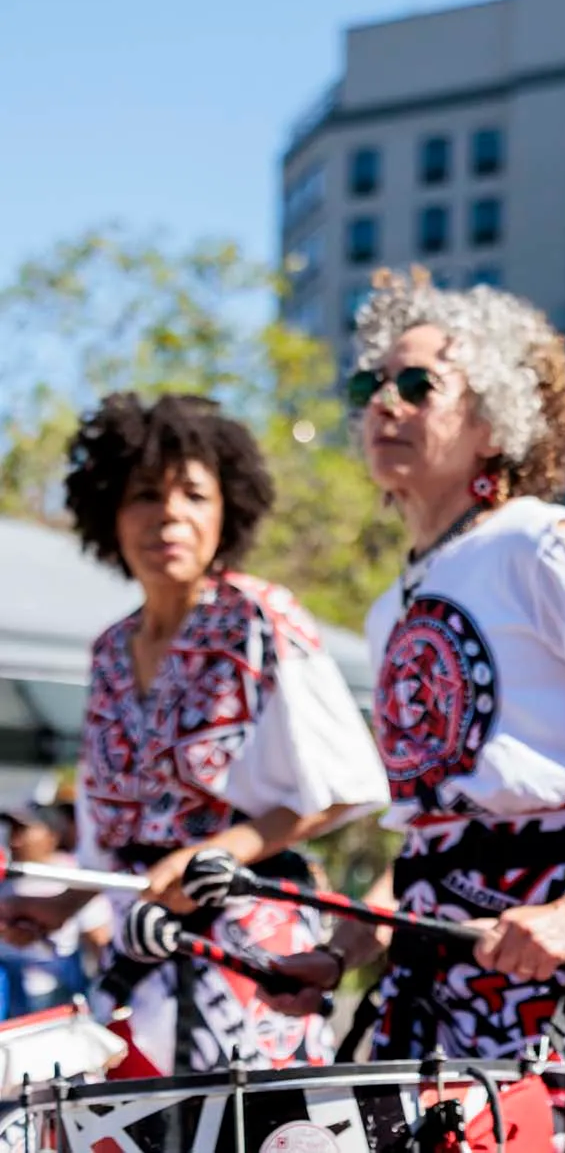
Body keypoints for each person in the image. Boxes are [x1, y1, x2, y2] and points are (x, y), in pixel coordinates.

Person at [266, 271, 565, 1153]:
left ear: (495, 417)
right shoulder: (391, 604)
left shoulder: (548, 546)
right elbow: (434, 835)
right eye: (369, 387)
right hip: (431, 976)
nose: (383, 405)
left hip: (551, 970)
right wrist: (344, 949)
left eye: (417, 385)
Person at [0, 393, 388, 1075]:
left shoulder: (260, 617)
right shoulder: (109, 651)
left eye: (193, 495)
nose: (169, 514)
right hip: (140, 956)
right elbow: (113, 840)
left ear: (225, 511)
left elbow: (344, 786)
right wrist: (57, 905)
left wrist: (216, 854)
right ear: (110, 514)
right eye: (145, 494)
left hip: (250, 954)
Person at [0, 804, 111, 1018]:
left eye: (22, 830)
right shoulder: (5, 878)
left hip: (53, 1000)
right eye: (12, 831)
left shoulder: (76, 879)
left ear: (51, 835)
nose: (14, 840)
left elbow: (99, 939)